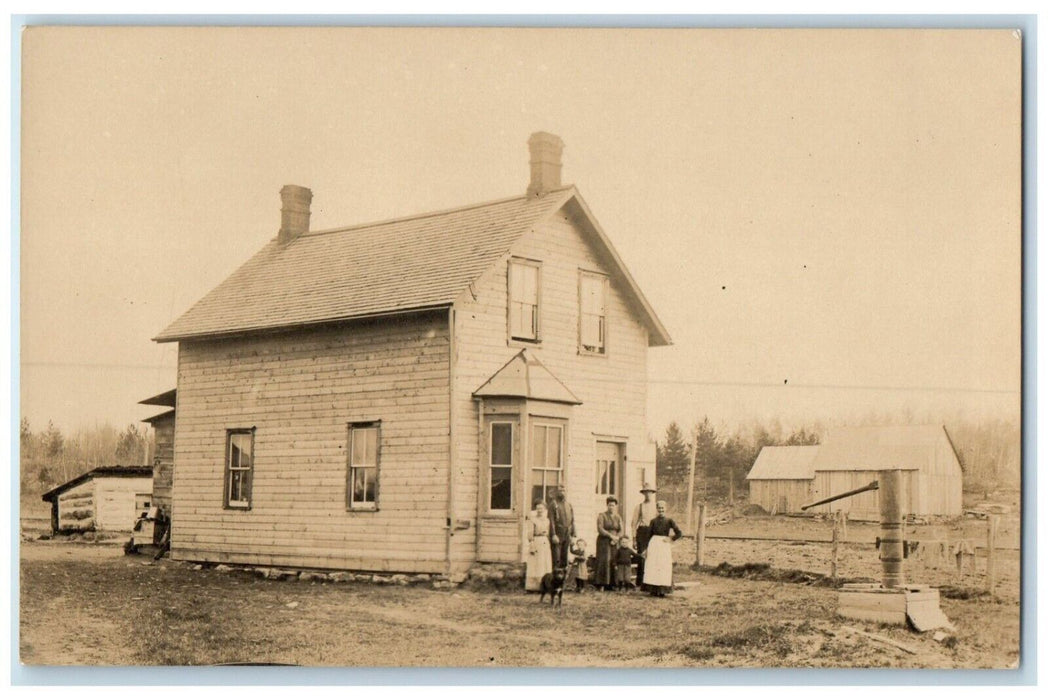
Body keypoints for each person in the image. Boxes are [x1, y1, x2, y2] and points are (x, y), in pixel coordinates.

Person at [642, 500, 683, 597]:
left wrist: (671, 538)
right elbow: (648, 535)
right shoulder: (653, 521)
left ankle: (662, 590)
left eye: (662, 508)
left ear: (665, 509)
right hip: (654, 544)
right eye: (659, 508)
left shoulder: (669, 521)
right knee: (652, 565)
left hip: (664, 545)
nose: (661, 510)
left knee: (663, 566)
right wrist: (646, 548)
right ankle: (653, 589)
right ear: (657, 509)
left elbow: (679, 533)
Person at [631, 483, 658, 590]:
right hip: (642, 532)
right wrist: (633, 538)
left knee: (652, 557)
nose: (648, 495)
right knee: (642, 557)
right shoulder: (639, 506)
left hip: (653, 533)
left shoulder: (656, 506)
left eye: (649, 492)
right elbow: (633, 523)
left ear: (652, 493)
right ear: (643, 494)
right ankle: (640, 583)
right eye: (646, 492)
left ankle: (651, 582)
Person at [595, 496, 623, 591]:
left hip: (615, 541)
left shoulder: (618, 517)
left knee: (613, 560)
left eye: (613, 505)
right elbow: (600, 529)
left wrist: (617, 538)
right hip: (604, 541)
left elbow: (621, 530)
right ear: (607, 505)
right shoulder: (602, 515)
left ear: (616, 506)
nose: (611, 507)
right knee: (604, 560)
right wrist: (611, 536)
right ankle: (602, 583)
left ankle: (613, 584)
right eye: (610, 505)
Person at [525, 501, 554, 592]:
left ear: (545, 509)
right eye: (538, 508)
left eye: (541, 508)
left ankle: (545, 586)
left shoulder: (547, 520)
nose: (539, 510)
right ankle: (534, 587)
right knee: (536, 564)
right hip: (536, 541)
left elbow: (548, 533)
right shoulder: (532, 520)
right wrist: (532, 545)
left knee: (544, 563)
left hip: (545, 542)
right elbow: (530, 534)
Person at [547, 485, 576, 569]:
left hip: (567, 533)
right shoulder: (553, 504)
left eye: (563, 490)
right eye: (560, 491)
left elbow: (573, 520)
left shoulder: (569, 505)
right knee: (556, 557)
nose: (562, 492)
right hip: (558, 533)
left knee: (565, 557)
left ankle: (563, 579)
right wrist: (553, 534)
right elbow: (551, 520)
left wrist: (573, 535)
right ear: (557, 492)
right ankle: (555, 579)